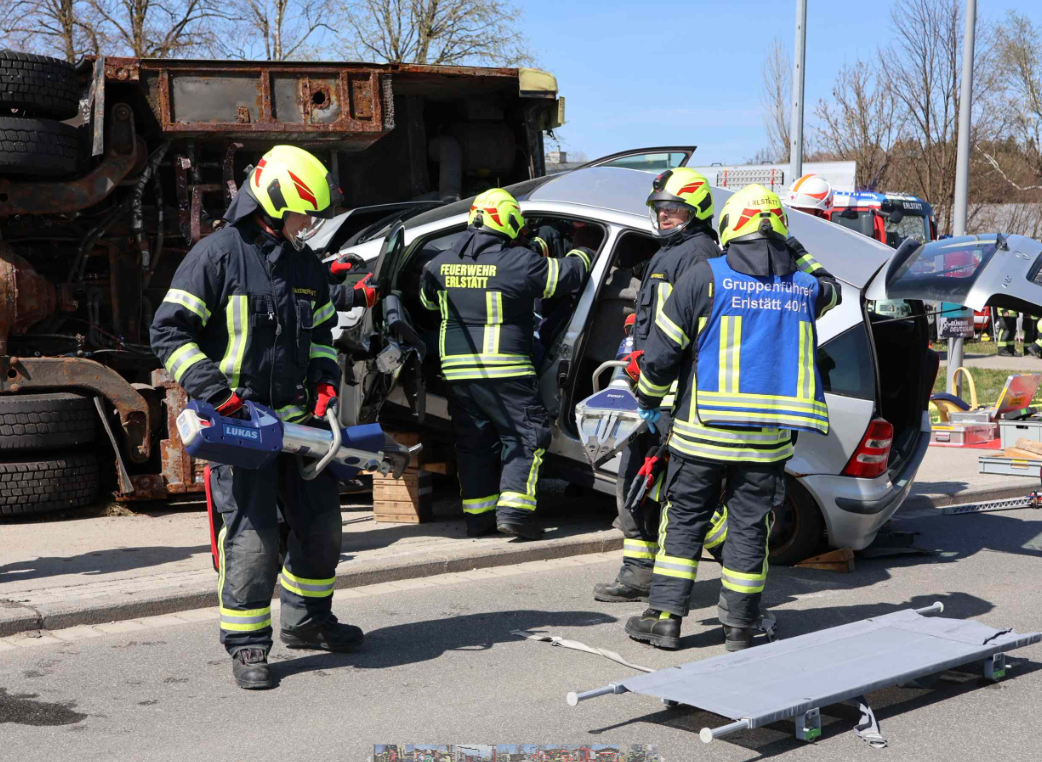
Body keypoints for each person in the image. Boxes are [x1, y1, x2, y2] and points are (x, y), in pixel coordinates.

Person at [151, 145, 380, 690]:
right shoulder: (217, 255)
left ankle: (308, 621)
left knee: (321, 528)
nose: (309, 224)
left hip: (301, 427)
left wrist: (325, 379)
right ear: (275, 203)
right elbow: (168, 331)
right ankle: (249, 645)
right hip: (241, 428)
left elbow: (321, 332)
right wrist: (214, 391)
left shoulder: (304, 263)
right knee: (253, 540)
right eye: (304, 213)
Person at [625, 184, 841, 651]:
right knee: (749, 528)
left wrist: (649, 399)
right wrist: (793, 247)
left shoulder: (704, 278)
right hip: (767, 441)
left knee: (683, 520)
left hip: (701, 433)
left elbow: (660, 357)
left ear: (729, 226)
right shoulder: (804, 288)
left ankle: (664, 619)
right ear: (780, 231)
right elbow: (831, 284)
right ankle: (740, 627)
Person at [419, 188, 591, 539]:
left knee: (474, 442)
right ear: (509, 222)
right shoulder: (519, 263)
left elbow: (427, 302)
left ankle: (478, 519)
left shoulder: (437, 264)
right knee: (526, 436)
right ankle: (516, 513)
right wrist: (584, 250)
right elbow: (568, 276)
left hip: (457, 373)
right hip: (504, 370)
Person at [592, 167, 728, 603]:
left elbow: (683, 331)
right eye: (660, 208)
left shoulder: (692, 254)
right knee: (645, 486)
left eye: (674, 209)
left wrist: (649, 376)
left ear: (696, 210)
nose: (664, 215)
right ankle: (640, 572)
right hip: (658, 390)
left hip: (666, 397)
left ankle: (738, 556)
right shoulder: (679, 251)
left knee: (659, 489)